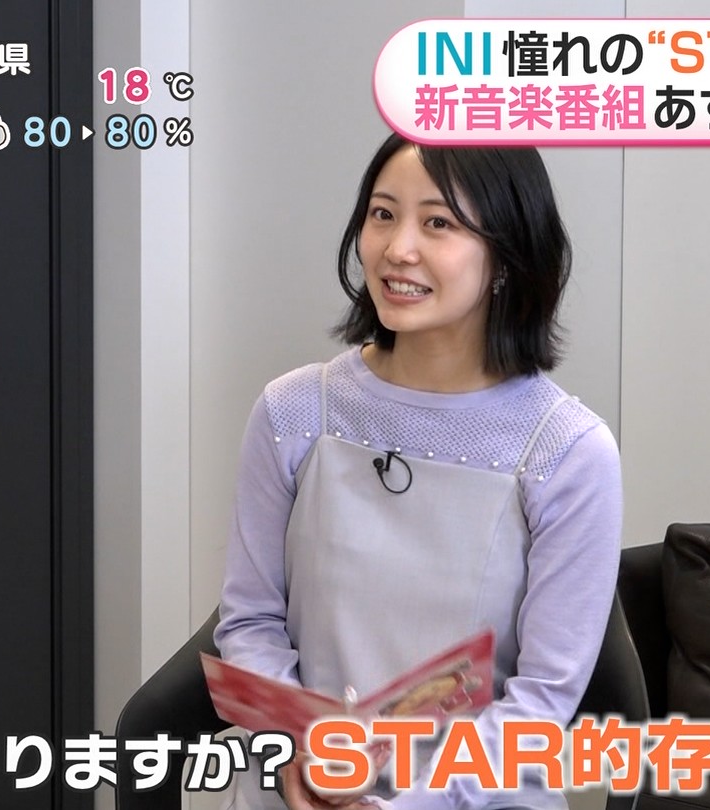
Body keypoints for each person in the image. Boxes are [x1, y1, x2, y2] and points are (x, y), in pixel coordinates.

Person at [214, 132, 623, 810]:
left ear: (507, 255)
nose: (398, 248)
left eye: (439, 223)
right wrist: (298, 758)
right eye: (382, 214)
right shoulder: (293, 411)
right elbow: (249, 622)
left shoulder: (568, 451)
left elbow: (542, 701)